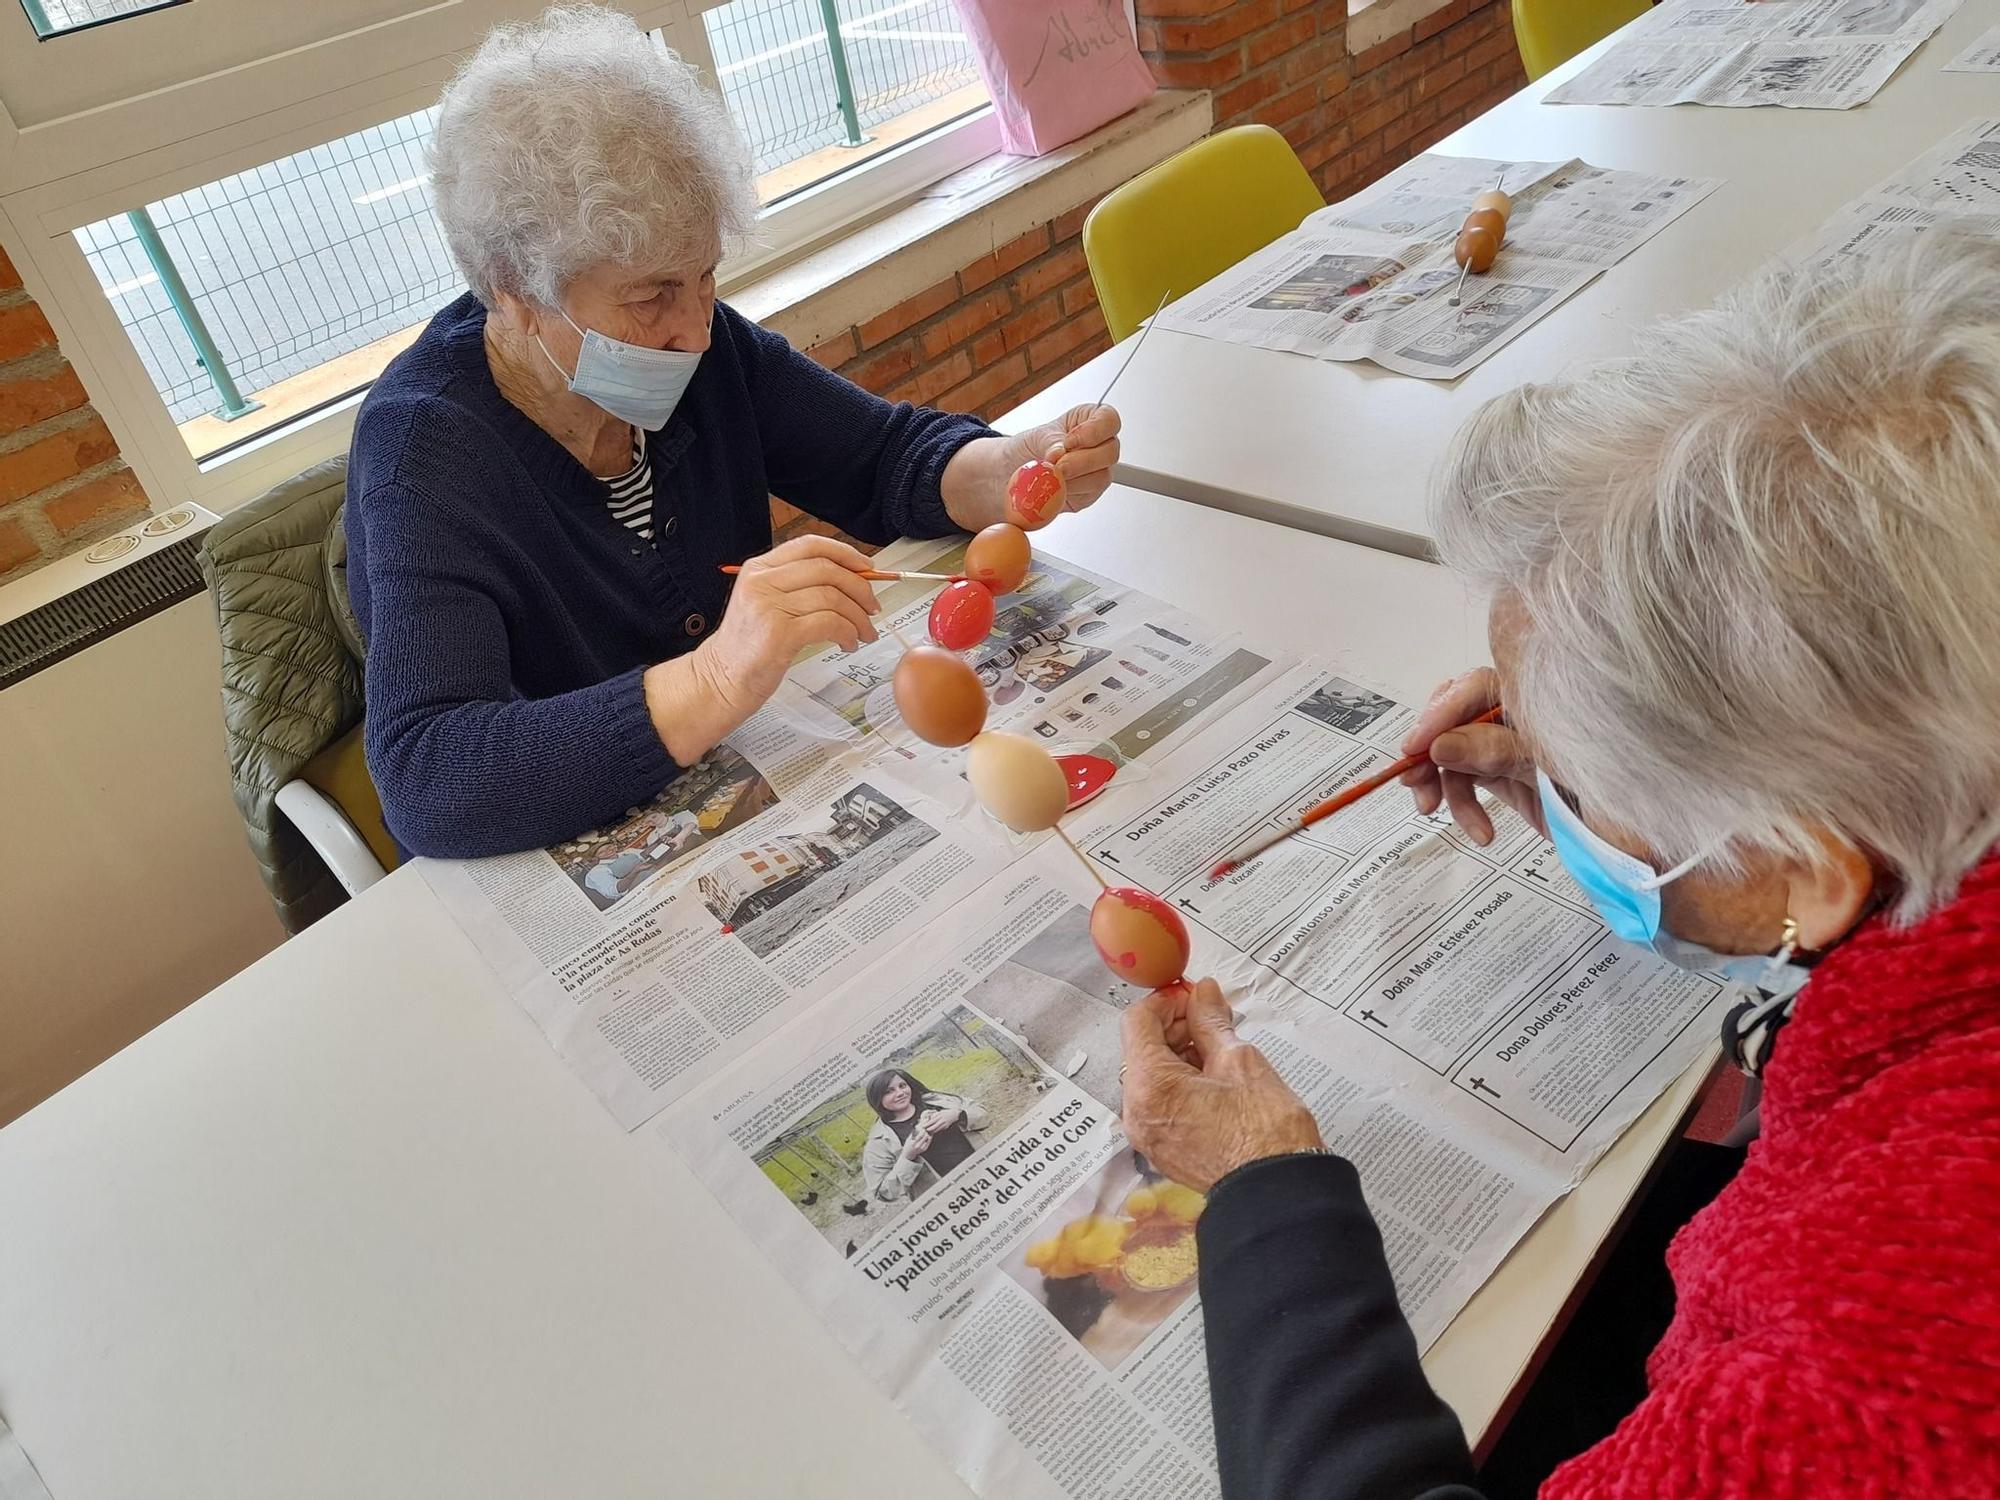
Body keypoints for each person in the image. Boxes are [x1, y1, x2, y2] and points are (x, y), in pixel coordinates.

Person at [1120, 237, 2000, 1498]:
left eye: (1584, 777)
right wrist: (1610, 773)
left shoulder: (1888, 1346)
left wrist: (1265, 1202)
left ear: (1810, 868)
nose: (1528, 758)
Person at [345, 4, 1119, 859]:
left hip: (736, 792)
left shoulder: (699, 352)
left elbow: (880, 457)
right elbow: (431, 782)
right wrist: (715, 674)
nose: (696, 329)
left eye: (706, 277)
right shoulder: (425, 458)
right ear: (515, 292)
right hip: (559, 858)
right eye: (649, 298)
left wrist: (1004, 467)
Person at [860, 1068, 989, 1204]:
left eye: (902, 1086)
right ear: (876, 1098)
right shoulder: (878, 1143)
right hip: (950, 1200)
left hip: (986, 1169)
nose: (900, 1093)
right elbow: (884, 1193)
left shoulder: (939, 1101)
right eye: (888, 1091)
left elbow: (985, 1114)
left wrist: (957, 1115)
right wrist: (907, 1156)